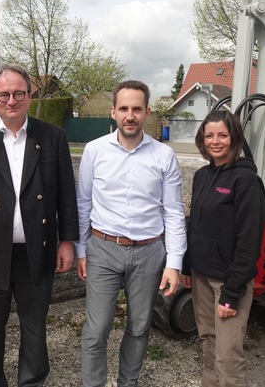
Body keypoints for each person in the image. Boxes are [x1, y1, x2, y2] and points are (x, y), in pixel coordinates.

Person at [0, 63, 79, 386]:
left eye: (18, 93)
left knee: (35, 328)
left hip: (36, 252)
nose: (11, 101)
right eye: (4, 94)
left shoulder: (53, 138)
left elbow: (66, 193)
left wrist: (68, 240)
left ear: (29, 94)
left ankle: (32, 381)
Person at [75, 80, 187, 387]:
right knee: (96, 330)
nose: (130, 115)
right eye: (123, 108)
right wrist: (80, 251)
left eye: (136, 109)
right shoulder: (95, 151)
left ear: (147, 112)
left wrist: (174, 263)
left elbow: (175, 212)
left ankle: (129, 383)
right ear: (113, 112)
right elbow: (82, 204)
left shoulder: (163, 156)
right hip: (103, 248)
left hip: (150, 252)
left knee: (139, 327)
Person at [181, 109, 265, 387]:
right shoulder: (202, 176)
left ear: (234, 138)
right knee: (208, 343)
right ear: (202, 139)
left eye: (222, 135)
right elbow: (194, 224)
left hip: (228, 283)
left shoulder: (246, 181)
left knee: (228, 356)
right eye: (209, 135)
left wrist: (231, 292)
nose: (215, 141)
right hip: (201, 277)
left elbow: (249, 240)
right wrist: (186, 266)